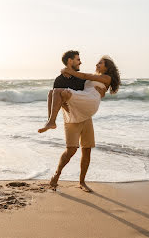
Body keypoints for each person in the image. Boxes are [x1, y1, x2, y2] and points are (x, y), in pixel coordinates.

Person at [39, 51, 120, 192]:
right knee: (71, 150)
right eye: (78, 60)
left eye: (100, 63)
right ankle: (56, 175)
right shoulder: (82, 80)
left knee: (86, 149)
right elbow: (78, 81)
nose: (96, 64)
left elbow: (83, 76)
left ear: (107, 67)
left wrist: (68, 70)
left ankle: (82, 182)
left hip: (88, 105)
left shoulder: (106, 77)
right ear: (70, 61)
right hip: (77, 110)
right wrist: (66, 73)